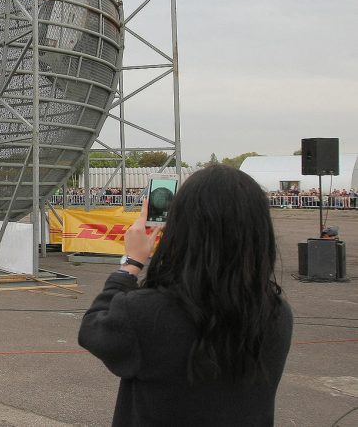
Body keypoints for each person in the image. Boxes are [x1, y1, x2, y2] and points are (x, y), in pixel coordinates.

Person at [78, 165, 293, 426]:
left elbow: (93, 330)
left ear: (181, 227)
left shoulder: (147, 312)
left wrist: (131, 264)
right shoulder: (277, 313)